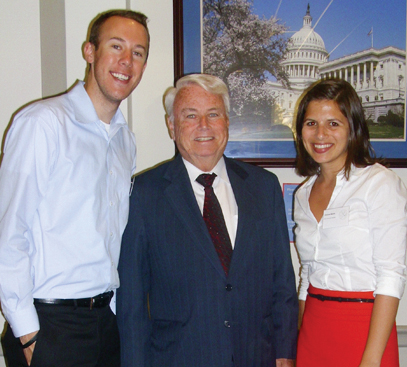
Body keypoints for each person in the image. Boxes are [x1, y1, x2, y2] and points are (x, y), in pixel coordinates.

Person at [0, 9, 149, 367]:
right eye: (116, 46)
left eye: (139, 52)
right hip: (50, 326)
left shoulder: (124, 141)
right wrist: (28, 334)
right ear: (89, 51)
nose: (126, 61)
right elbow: (8, 233)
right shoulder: (43, 124)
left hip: (102, 321)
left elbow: (109, 238)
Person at [117, 73, 298, 367]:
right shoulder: (145, 194)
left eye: (213, 114)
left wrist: (285, 354)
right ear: (171, 126)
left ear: (227, 122)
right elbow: (132, 302)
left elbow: (283, 283)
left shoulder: (264, 187)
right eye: (190, 116)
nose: (204, 126)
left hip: (256, 357)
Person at [293, 79, 407, 366]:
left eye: (333, 123)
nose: (320, 134)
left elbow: (391, 275)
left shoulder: (379, 183)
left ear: (352, 128)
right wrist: (296, 339)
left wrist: (371, 360)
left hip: (366, 329)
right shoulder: (302, 193)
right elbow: (307, 275)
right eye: (310, 123)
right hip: (313, 331)